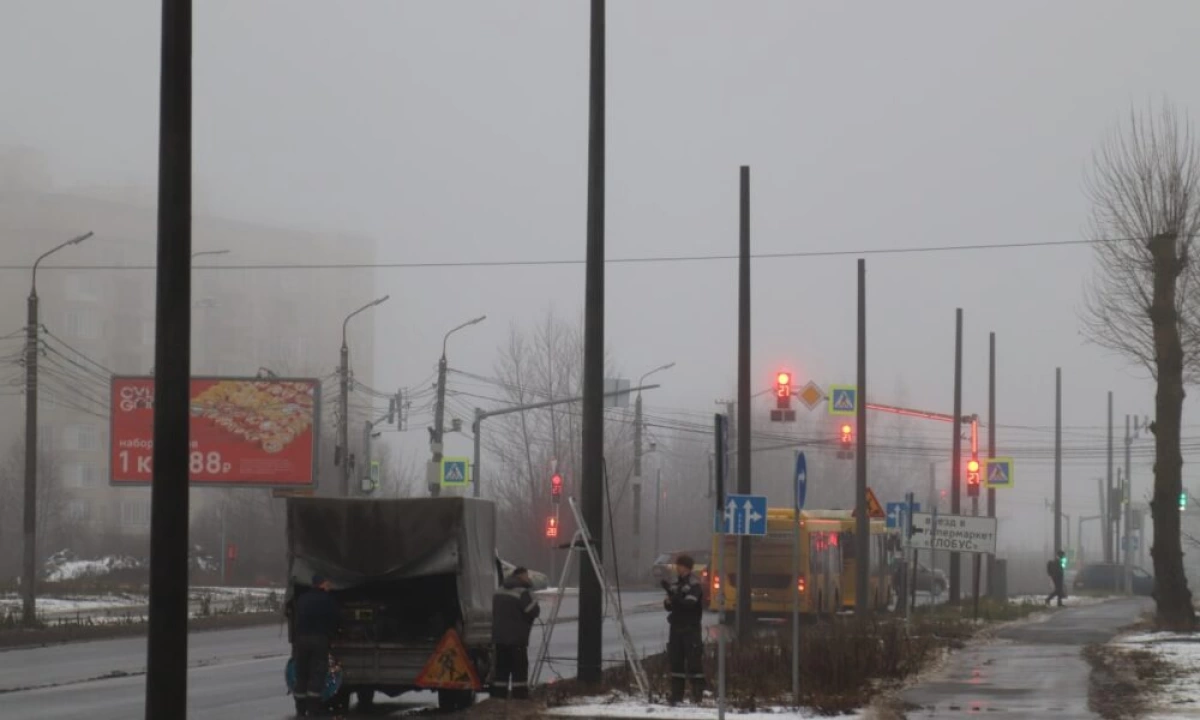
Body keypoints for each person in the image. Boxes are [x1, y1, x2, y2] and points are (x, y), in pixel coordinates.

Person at [292, 575, 339, 715]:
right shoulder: (327, 599)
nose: (329, 586)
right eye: (327, 583)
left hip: (301, 639)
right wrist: (333, 634)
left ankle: (300, 710)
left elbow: (297, 618)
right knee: (317, 673)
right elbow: (334, 619)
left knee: (302, 673)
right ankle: (313, 710)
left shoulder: (303, 598)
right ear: (322, 584)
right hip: (319, 639)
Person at [662, 553, 706, 705]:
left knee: (694, 662)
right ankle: (676, 696)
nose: (677, 568)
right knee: (676, 662)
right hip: (676, 627)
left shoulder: (694, 584)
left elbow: (689, 604)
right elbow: (669, 606)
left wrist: (674, 598)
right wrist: (668, 599)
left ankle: (697, 695)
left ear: (686, 567)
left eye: (679, 566)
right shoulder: (676, 583)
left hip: (690, 628)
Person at [491, 566, 540, 699]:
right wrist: (532, 595)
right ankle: (519, 697)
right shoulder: (522, 592)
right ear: (521, 576)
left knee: (501, 670)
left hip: (499, 638)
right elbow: (533, 611)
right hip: (516, 639)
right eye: (527, 576)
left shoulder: (499, 590)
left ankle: (498, 697)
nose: (528, 578)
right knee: (519, 670)